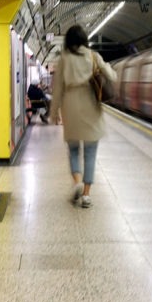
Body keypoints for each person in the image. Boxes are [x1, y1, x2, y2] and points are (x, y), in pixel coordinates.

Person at [50, 24, 116, 209]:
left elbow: (58, 90)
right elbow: (112, 75)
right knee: (90, 152)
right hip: (90, 107)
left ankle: (77, 181)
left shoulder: (63, 59)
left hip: (70, 106)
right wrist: (107, 67)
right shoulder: (93, 56)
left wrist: (54, 113)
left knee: (73, 150)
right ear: (84, 40)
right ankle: (86, 195)